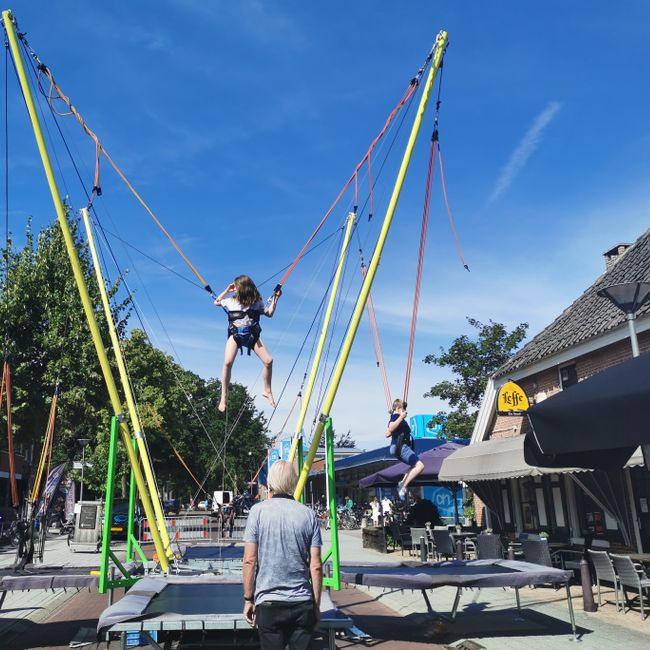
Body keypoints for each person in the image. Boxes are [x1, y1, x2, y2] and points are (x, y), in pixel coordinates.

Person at [243, 460, 322, 649]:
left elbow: (249, 561)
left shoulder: (257, 512)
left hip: (268, 602)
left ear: (270, 482)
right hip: (301, 603)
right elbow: (316, 566)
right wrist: (316, 606)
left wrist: (248, 599)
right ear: (293, 482)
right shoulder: (308, 515)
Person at [215, 275, 281, 412]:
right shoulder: (230, 301)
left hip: (252, 336)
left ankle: (267, 390)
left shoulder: (256, 302)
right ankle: (223, 397)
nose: (234, 290)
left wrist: (275, 299)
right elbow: (216, 302)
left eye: (235, 288)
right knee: (227, 363)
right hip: (236, 336)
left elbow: (269, 313)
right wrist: (227, 290)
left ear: (243, 289)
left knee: (269, 361)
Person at [384, 399, 424, 500]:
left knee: (414, 467)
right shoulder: (396, 416)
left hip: (396, 447)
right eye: (403, 408)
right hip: (401, 446)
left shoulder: (395, 417)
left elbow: (387, 433)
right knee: (420, 466)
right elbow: (391, 428)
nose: (405, 411)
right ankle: (403, 487)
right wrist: (401, 417)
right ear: (398, 408)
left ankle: (402, 482)